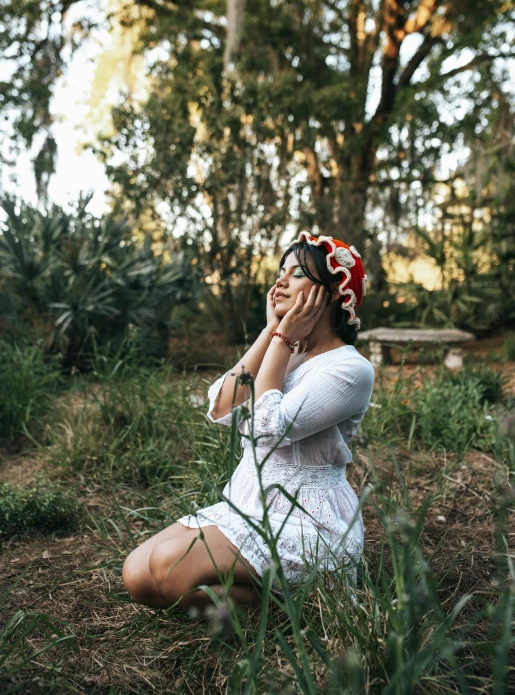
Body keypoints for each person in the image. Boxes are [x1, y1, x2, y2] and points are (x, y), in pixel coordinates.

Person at [122, 231, 375, 610]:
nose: (280, 281)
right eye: (281, 271)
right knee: (137, 574)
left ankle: (315, 595)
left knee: (167, 566)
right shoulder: (285, 352)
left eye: (297, 274)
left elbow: (267, 429)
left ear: (334, 291)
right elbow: (222, 405)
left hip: (308, 519)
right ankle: (286, 597)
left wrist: (283, 339)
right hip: (249, 501)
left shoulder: (350, 369)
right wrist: (271, 333)